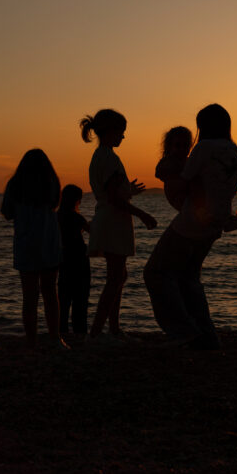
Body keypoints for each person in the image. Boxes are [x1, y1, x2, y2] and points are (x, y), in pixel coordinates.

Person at [144, 104, 237, 349]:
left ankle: (182, 331)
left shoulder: (204, 148)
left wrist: (169, 179)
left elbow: (184, 180)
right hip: (215, 225)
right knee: (189, 278)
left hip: (191, 222)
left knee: (156, 273)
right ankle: (206, 336)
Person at [80, 108, 157, 340]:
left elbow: (112, 193)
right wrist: (142, 214)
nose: (123, 136)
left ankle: (113, 329)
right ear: (111, 131)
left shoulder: (101, 157)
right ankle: (97, 332)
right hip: (113, 221)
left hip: (109, 219)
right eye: (121, 131)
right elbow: (114, 199)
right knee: (115, 278)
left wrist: (128, 191)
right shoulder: (109, 158)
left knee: (119, 276)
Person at [0, 148, 67, 349]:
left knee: (29, 296)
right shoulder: (51, 183)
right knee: (50, 293)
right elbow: (55, 204)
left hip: (26, 244)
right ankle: (55, 338)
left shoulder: (15, 185)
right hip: (49, 242)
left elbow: (7, 212)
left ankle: (32, 342)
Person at [155, 125, 237, 231]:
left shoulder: (187, 160)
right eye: (177, 145)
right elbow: (159, 173)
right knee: (196, 180)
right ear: (169, 147)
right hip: (179, 197)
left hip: (189, 195)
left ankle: (225, 218)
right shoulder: (169, 161)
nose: (182, 149)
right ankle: (204, 213)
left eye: (185, 145)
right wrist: (182, 174)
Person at [57, 184, 90, 336]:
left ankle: (61, 329)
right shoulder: (77, 218)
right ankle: (80, 330)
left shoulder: (57, 216)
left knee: (63, 297)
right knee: (80, 298)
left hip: (63, 259)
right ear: (76, 200)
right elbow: (92, 231)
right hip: (79, 259)